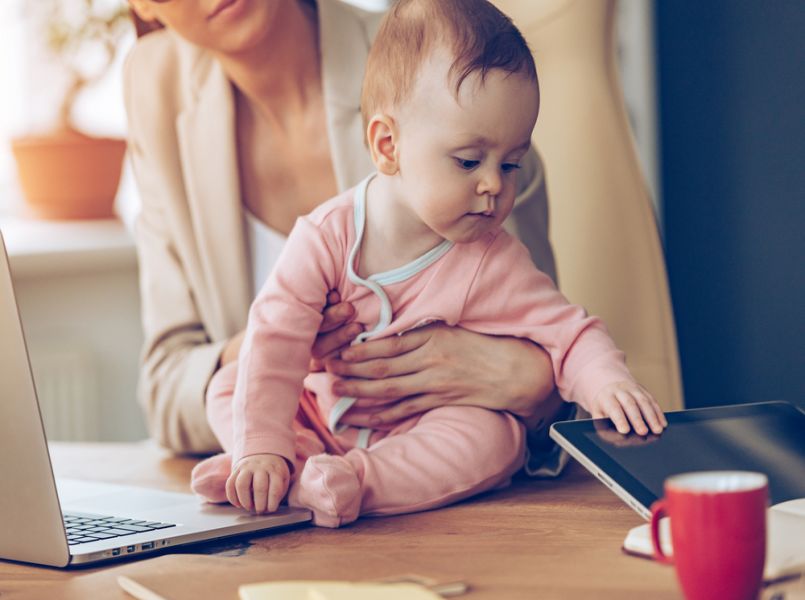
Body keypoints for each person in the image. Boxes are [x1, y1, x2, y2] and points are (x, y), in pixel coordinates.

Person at [189, 0, 667, 528]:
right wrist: (262, 443)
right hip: (322, 414)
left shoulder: (492, 257)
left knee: (496, 439)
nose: (495, 185)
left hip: (420, 433)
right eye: (469, 161)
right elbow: (274, 335)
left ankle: (357, 483)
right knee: (234, 382)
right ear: (388, 145)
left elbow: (568, 334)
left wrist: (606, 384)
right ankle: (270, 466)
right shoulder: (326, 236)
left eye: (511, 164)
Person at [125, 0, 571, 476]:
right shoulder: (156, 85)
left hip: (443, 485)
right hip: (294, 491)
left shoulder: (441, 60)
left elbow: (542, 351)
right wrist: (281, 339)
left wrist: (536, 386)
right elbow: (165, 390)